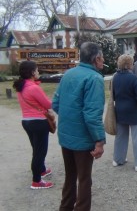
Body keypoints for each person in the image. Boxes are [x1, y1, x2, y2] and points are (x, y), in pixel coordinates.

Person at [52, 42, 106, 211]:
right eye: (102, 57)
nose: (103, 60)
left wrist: (71, 117)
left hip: (66, 135)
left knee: (70, 176)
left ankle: (65, 207)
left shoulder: (68, 74)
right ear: (96, 59)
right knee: (84, 179)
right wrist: (99, 141)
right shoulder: (94, 78)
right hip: (82, 139)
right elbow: (92, 114)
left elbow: (56, 103)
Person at [13, 61, 54, 189]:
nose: (38, 72)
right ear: (31, 72)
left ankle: (41, 169)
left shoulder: (21, 87)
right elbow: (48, 105)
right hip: (39, 122)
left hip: (27, 121)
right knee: (40, 152)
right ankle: (36, 181)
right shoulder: (33, 88)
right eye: (36, 70)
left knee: (36, 149)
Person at [112, 54, 137, 171]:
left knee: (120, 136)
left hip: (120, 109)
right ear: (129, 64)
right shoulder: (133, 78)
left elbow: (113, 94)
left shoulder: (115, 77)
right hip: (133, 111)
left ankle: (118, 159)